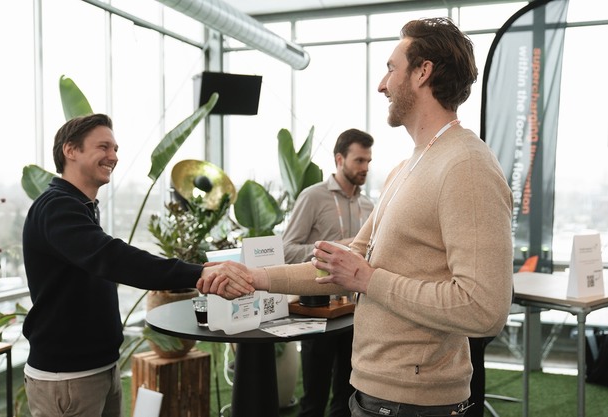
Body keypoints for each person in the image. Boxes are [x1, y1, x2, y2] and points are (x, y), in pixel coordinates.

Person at [202, 17, 514, 417]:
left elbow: (484, 309)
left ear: (423, 72)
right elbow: (344, 263)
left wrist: (368, 279)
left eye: (391, 68)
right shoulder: (407, 167)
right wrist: (254, 277)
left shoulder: (466, 166)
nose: (382, 85)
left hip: (416, 404)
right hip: (373, 391)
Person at [21, 113, 254, 417]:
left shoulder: (81, 206)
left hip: (98, 368)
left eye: (115, 149)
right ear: (71, 150)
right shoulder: (57, 207)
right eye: (103, 147)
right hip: (67, 378)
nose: (113, 156)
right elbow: (114, 258)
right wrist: (198, 272)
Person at [282, 128, 374, 417]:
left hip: (354, 310)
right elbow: (287, 250)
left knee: (346, 397)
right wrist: (338, 247)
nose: (365, 167)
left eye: (368, 161)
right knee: (315, 398)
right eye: (359, 160)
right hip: (317, 309)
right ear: (339, 159)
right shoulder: (313, 197)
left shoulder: (368, 205)